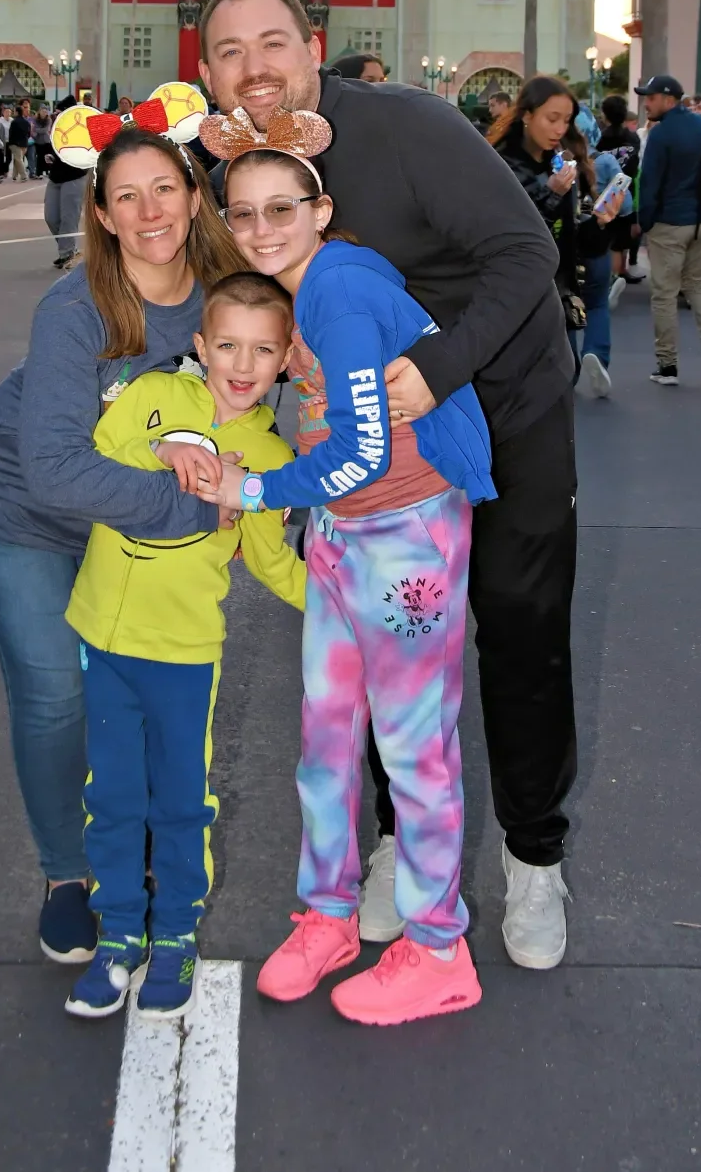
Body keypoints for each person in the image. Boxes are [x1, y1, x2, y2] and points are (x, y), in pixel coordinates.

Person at [194, 0, 577, 973]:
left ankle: (534, 857)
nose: (256, 67)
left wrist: (439, 364)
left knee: (520, 623)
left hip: (503, 405)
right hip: (377, 454)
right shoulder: (226, 166)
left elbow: (526, 253)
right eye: (230, 51)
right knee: (380, 647)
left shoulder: (404, 128)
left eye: (273, 42)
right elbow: (215, 297)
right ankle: (397, 843)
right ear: (206, 73)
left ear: (312, 48)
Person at [177, 119, 496, 1025]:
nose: (261, 228)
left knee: (414, 751)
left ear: (322, 210)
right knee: (324, 744)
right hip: (345, 533)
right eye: (243, 214)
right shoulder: (299, 287)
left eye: (282, 208)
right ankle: (326, 915)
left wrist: (256, 486)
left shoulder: (342, 291)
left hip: (404, 535)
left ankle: (439, 947)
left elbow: (358, 452)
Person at [0, 125, 246, 967]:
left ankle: (129, 846)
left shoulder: (227, 297)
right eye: (126, 196)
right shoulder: (78, 310)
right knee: (56, 698)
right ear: (104, 216)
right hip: (21, 513)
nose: (150, 210)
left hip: (127, 530)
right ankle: (66, 874)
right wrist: (190, 507)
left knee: (143, 696)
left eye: (164, 188)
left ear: (194, 194)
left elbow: (261, 399)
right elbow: (51, 468)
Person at [64, 270, 304, 1021]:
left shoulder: (268, 456)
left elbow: (271, 560)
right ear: (200, 343)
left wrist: (354, 605)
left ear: (286, 359)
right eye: (227, 343)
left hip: (184, 652)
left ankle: (173, 935)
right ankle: (117, 936)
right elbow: (96, 459)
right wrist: (163, 449)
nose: (241, 363)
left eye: (262, 350)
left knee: (179, 798)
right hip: (103, 635)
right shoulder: (149, 395)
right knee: (110, 795)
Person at [494, 77, 623, 400]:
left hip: (557, 286)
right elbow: (513, 229)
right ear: (527, 115)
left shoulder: (560, 163)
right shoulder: (499, 162)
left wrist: (602, 222)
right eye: (552, 119)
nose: (559, 129)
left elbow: (570, 233)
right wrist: (551, 193)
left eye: (566, 121)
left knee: (568, 373)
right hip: (514, 293)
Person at [634, 74, 701, 387]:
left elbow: (649, 183)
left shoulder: (661, 135)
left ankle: (668, 365)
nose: (646, 102)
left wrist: (644, 222)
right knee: (697, 284)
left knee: (664, 293)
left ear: (668, 98)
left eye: (650, 97)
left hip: (670, 222)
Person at [597, 93, 643, 304]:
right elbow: (634, 166)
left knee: (603, 239)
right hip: (625, 187)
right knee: (619, 243)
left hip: (602, 189)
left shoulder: (601, 137)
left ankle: (604, 282)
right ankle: (615, 279)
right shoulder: (632, 138)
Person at [43, 95, 88, 266]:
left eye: (60, 112)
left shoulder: (81, 127)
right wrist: (49, 155)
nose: (57, 115)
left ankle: (67, 254)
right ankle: (69, 250)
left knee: (69, 218)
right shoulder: (57, 126)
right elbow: (53, 146)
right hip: (55, 176)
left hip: (75, 176)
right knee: (51, 217)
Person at [8, 100, 33, 180]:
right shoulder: (27, 122)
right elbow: (29, 134)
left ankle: (23, 176)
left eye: (14, 111)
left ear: (17, 112)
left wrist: (10, 143)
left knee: (18, 159)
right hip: (24, 143)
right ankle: (14, 175)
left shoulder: (14, 122)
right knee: (17, 159)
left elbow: (11, 133)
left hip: (15, 143)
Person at [30, 106, 54, 178]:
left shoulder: (49, 120)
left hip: (46, 141)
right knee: (39, 157)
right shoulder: (35, 119)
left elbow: (45, 130)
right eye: (43, 111)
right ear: (39, 112)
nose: (44, 113)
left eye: (45, 112)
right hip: (38, 141)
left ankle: (49, 171)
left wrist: (37, 129)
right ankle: (39, 173)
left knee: (48, 157)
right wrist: (37, 129)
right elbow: (33, 128)